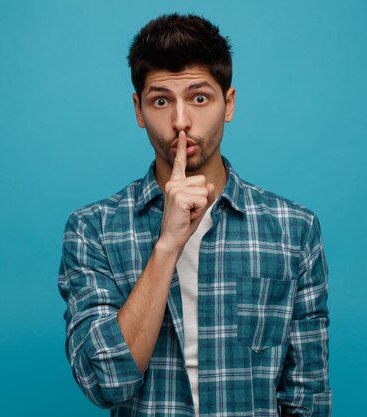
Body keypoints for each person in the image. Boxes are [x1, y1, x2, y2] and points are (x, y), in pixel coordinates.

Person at [58, 13, 331, 417]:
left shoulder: (294, 229)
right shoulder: (92, 230)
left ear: (229, 104)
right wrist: (167, 245)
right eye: (161, 100)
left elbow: (308, 396)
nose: (181, 121)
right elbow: (105, 383)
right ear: (138, 110)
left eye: (199, 98)